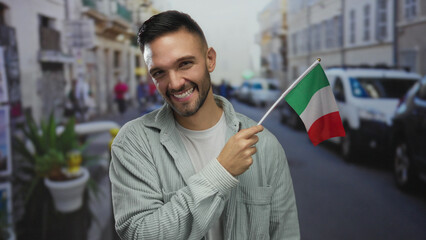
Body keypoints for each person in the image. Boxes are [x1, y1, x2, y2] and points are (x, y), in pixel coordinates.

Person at [110, 10, 300, 240]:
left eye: (185, 64)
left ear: (210, 59)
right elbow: (139, 234)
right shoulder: (133, 142)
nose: (175, 83)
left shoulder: (266, 145)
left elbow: (285, 233)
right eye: (159, 72)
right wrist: (220, 172)